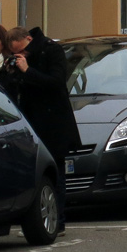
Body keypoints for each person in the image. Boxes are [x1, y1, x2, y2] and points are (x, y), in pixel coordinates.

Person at [5, 25, 80, 235]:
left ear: (29, 39)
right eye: (16, 54)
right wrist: (11, 72)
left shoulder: (51, 50)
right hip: (31, 123)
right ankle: (39, 221)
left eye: (23, 51)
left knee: (56, 173)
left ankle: (59, 221)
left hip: (53, 124)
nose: (21, 55)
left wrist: (28, 70)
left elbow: (56, 82)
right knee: (36, 175)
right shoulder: (22, 60)